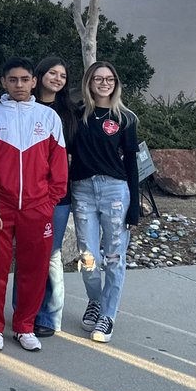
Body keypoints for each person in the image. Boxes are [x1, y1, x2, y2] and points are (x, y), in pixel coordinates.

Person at [0, 57, 68, 353]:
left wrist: (49, 201)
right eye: (13, 80)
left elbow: (59, 164)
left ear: (34, 81)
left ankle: (24, 326)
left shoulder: (49, 117)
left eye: (25, 79)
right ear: (3, 82)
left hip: (37, 207)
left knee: (35, 269)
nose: (19, 85)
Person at [70, 61, 140, 344]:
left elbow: (132, 163)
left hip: (114, 190)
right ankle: (95, 300)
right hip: (83, 189)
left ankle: (108, 314)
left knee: (114, 256)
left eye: (109, 78)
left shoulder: (125, 118)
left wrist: (134, 205)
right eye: (98, 78)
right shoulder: (78, 115)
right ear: (89, 82)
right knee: (88, 257)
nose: (104, 83)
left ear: (116, 82)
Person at [31, 56, 78, 338]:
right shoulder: (23, 105)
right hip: (27, 193)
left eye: (62, 75)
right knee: (28, 255)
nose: (57, 78)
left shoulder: (70, 112)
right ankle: (25, 310)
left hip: (58, 194)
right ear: (40, 75)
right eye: (52, 72)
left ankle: (48, 316)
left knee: (52, 254)